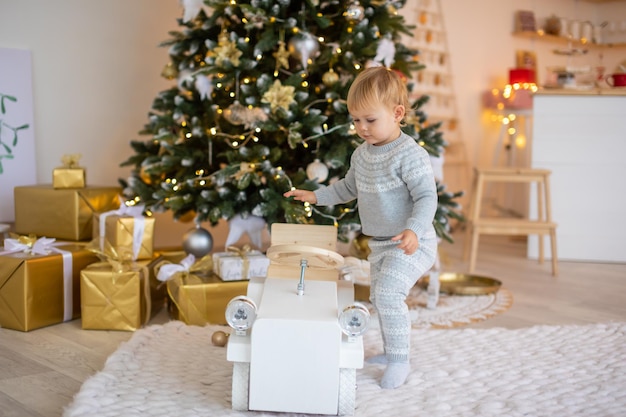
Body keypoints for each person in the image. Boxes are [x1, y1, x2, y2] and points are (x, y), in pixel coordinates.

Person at [284, 66, 438, 389]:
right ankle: (391, 350)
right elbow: (346, 189)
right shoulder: (361, 155)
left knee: (387, 294)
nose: (362, 128)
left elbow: (426, 197)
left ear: (397, 114)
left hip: (413, 241)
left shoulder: (410, 155)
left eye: (370, 120)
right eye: (356, 120)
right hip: (381, 243)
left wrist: (413, 230)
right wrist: (315, 195)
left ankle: (400, 360)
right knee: (382, 299)